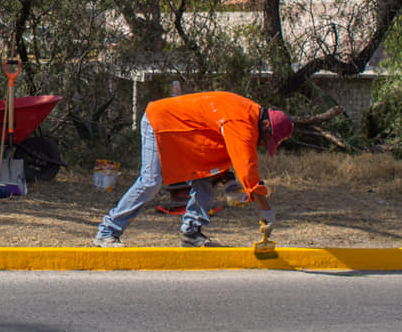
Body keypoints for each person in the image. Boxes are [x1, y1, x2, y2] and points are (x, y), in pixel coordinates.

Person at [93, 91, 293, 248]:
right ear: (266, 125)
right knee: (151, 182)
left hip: (186, 132)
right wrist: (267, 212)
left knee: (204, 179)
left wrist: (229, 180)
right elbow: (247, 168)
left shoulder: (248, 114)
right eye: (267, 140)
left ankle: (191, 234)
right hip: (160, 122)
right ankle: (107, 232)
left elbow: (233, 156)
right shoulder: (241, 121)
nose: (262, 144)